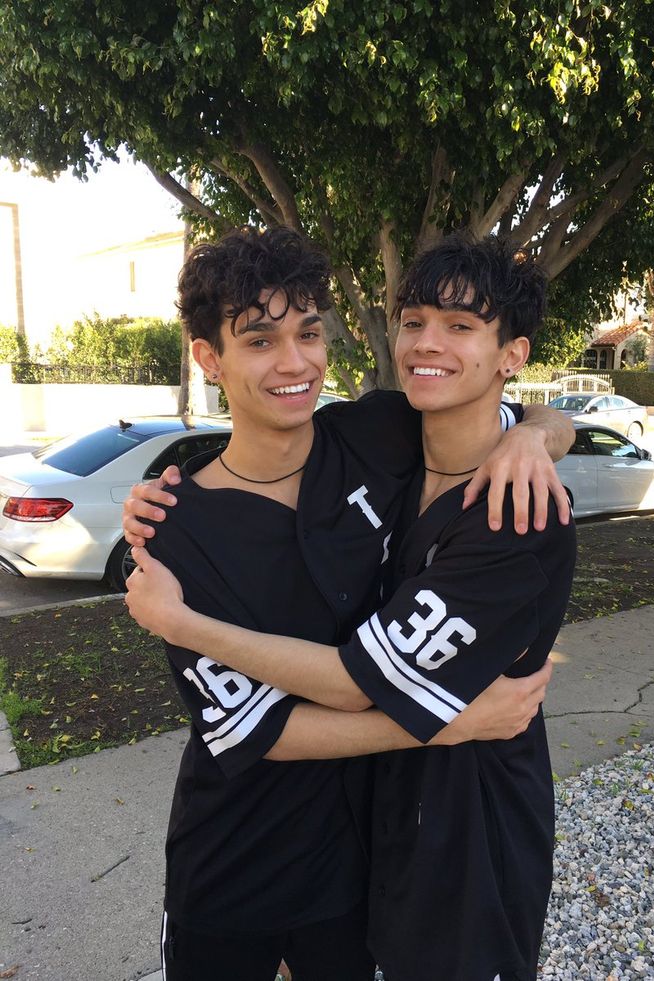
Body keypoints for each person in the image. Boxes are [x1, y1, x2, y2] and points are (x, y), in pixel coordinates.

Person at [122, 227, 574, 980]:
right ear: (210, 358)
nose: (295, 361)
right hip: (232, 862)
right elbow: (255, 729)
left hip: (358, 867)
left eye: (308, 332)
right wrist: (448, 726)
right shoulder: (175, 529)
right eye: (260, 340)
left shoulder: (371, 433)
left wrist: (537, 435)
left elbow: (489, 403)